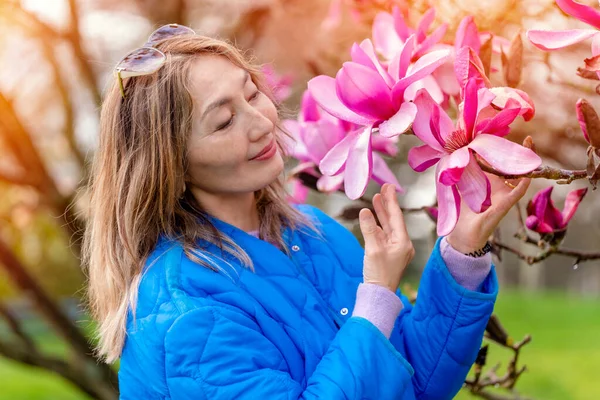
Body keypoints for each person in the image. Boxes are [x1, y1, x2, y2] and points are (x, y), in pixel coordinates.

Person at [83, 24, 531, 400]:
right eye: (223, 121)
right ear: (171, 165)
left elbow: (411, 382)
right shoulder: (186, 311)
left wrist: (462, 249)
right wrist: (376, 296)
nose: (262, 122)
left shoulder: (315, 234)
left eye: (252, 93)